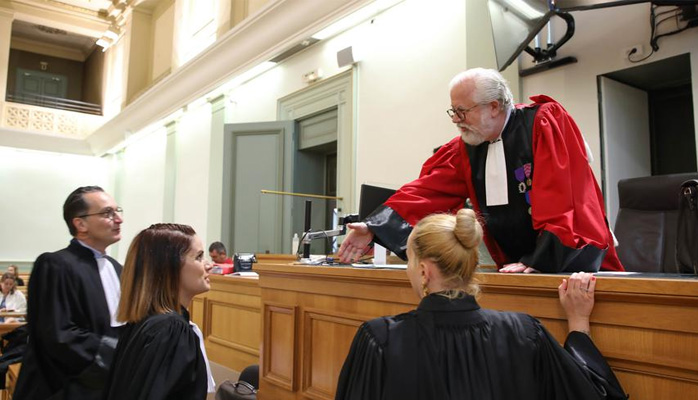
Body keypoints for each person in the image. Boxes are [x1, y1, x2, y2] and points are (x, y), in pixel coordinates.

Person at [339, 68, 623, 273]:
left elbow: (564, 198)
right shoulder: (466, 148)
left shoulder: (541, 124)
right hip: (515, 269)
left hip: (569, 267)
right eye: (453, 112)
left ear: (495, 107)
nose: (456, 120)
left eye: (462, 111)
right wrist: (373, 226)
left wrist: (540, 260)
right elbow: (427, 192)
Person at [335, 209, 627, 400]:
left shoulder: (380, 339)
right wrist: (577, 324)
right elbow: (592, 393)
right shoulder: (525, 332)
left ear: (424, 271)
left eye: (409, 261)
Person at [14, 186, 124, 400]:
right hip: (67, 387)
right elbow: (59, 335)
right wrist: (122, 356)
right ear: (80, 224)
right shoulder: (55, 264)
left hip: (108, 384)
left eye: (117, 210)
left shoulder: (116, 267)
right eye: (107, 213)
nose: (118, 219)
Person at [103, 223, 215, 400]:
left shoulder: (144, 322)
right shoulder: (172, 330)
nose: (209, 265)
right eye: (199, 257)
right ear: (169, 267)